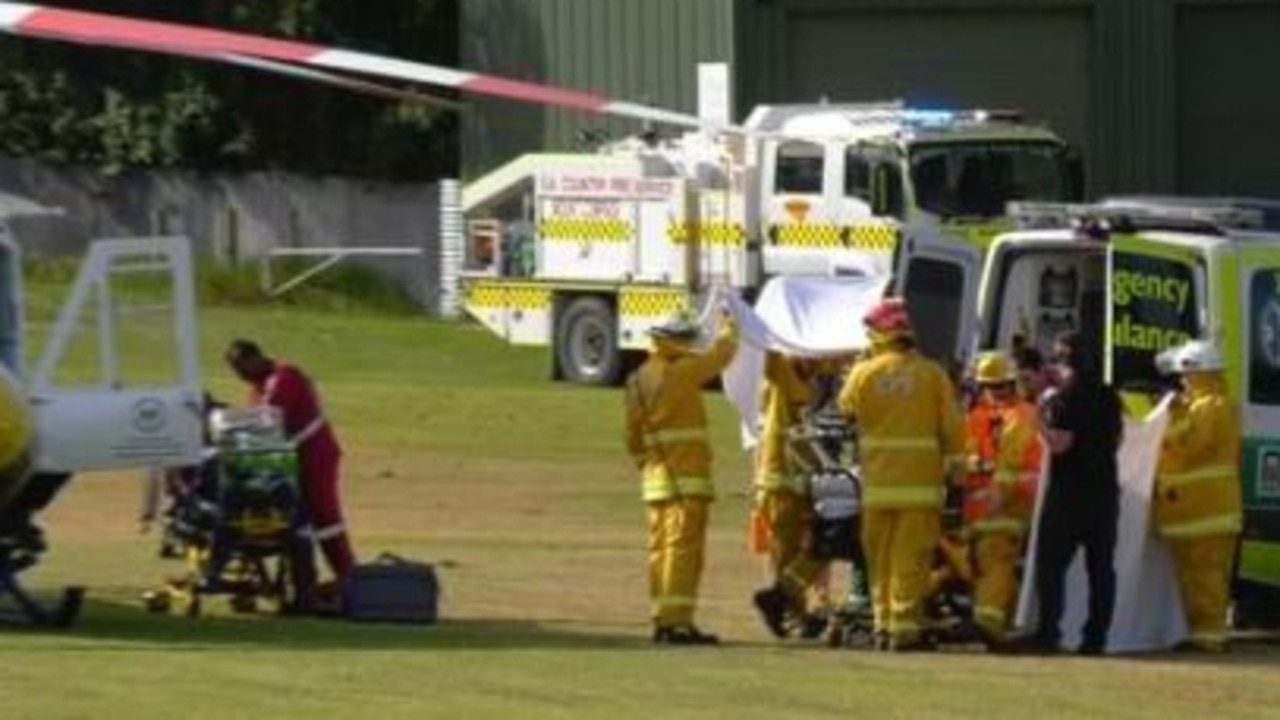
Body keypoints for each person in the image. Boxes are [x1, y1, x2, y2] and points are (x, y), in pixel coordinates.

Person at [837, 297, 966, 651]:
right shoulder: (932, 374)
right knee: (911, 559)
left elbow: (845, 409)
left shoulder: (865, 373)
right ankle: (904, 629)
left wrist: (861, 366)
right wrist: (957, 472)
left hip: (878, 485)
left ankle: (882, 625)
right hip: (920, 487)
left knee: (878, 559)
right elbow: (953, 428)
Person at [625, 308, 738, 645]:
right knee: (683, 552)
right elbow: (722, 355)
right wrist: (731, 324)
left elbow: (632, 436)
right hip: (686, 478)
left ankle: (663, 617)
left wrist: (645, 463)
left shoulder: (637, 379)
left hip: (655, 481)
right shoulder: (682, 372)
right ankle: (677, 622)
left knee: (659, 550)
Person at [225, 339, 356, 598]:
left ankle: (349, 575)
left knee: (324, 515)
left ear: (255, 358)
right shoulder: (257, 387)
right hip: (288, 460)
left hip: (314, 453)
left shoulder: (285, 376)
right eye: (235, 372)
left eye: (242, 369)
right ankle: (310, 580)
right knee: (297, 517)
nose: (241, 376)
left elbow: (268, 418)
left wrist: (224, 421)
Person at [1027, 330, 1123, 655]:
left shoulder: (1064, 399)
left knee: (1050, 565)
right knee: (1101, 568)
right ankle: (1095, 639)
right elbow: (1118, 440)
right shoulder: (1110, 396)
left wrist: (1035, 419)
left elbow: (1060, 444)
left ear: (1066, 361)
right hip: (1105, 493)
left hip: (1069, 493)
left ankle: (1048, 633)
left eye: (1056, 358)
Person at [1153, 340, 1241, 652]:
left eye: (1186, 375)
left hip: (1209, 512)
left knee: (1207, 576)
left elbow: (1191, 446)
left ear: (1202, 374)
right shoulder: (1198, 405)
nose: (1182, 381)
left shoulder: (1212, 406)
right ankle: (1198, 632)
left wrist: (1172, 420)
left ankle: (1210, 634)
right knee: (1193, 577)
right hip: (1194, 513)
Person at [963, 351, 1042, 647]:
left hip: (1013, 500)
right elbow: (965, 453)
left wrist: (998, 491)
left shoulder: (1023, 414)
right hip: (978, 501)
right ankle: (1003, 617)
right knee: (979, 560)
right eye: (988, 386)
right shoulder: (977, 416)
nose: (995, 392)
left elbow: (1012, 460)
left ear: (1013, 384)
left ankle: (989, 622)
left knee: (996, 554)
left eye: (1001, 386)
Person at [749, 352, 826, 639]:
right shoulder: (784, 379)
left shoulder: (806, 382)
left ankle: (793, 612)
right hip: (781, 482)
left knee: (800, 551)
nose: (819, 362)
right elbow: (771, 359)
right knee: (786, 553)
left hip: (799, 482)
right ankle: (791, 613)